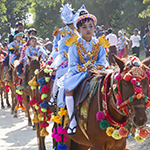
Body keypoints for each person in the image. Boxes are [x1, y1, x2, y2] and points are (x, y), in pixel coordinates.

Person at [57, 8, 108, 135]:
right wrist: (85, 68)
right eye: (84, 27)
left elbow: (103, 61)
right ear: (78, 30)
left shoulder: (99, 43)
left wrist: (96, 68)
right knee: (68, 90)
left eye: (91, 26)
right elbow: (72, 64)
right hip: (78, 73)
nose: (88, 29)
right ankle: (72, 120)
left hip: (97, 71)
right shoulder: (74, 44)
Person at [49, 3, 77, 105]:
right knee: (59, 75)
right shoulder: (60, 32)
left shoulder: (79, 30)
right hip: (65, 58)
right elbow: (59, 48)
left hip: (80, 57)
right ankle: (53, 97)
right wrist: (69, 56)